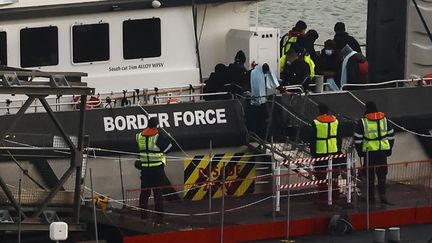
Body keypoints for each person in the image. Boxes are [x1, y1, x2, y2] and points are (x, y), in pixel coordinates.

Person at [354, 101, 395, 204]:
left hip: (369, 152)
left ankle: (371, 198)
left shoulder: (363, 121)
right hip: (382, 151)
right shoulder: (384, 119)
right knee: (382, 175)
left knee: (369, 176)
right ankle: (383, 196)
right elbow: (391, 135)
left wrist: (360, 151)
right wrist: (389, 149)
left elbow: (358, 139)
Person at [136, 117, 173, 222]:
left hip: (145, 169)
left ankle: (143, 215)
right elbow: (168, 148)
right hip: (157, 169)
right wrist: (168, 137)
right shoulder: (157, 136)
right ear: (157, 125)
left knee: (144, 193)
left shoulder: (139, 136)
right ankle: (159, 215)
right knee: (157, 193)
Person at [310, 103, 342, 205]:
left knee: (321, 175)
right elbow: (339, 137)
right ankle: (335, 195)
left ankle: (323, 197)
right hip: (334, 150)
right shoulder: (335, 121)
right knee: (334, 174)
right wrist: (338, 150)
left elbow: (313, 138)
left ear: (319, 110)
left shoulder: (316, 122)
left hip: (320, 151)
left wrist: (313, 152)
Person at [248, 62, 285, 138]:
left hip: (255, 101)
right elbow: (272, 82)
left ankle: (257, 136)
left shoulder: (255, 72)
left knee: (257, 121)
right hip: (260, 101)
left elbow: (273, 80)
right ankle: (263, 136)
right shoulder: (257, 75)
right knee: (263, 120)